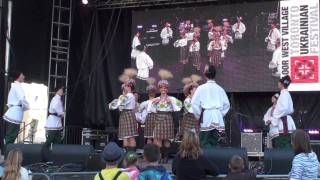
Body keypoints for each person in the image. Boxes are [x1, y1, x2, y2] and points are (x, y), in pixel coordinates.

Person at [147, 70, 182, 163]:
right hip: (158, 118)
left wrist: (171, 103)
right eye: (161, 88)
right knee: (157, 139)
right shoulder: (156, 99)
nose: (163, 89)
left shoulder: (172, 99)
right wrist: (154, 104)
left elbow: (177, 108)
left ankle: (166, 157)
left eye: (165, 88)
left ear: (167, 89)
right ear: (159, 89)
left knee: (166, 139)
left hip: (167, 118)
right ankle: (159, 157)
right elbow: (150, 110)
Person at [191, 65, 230, 147]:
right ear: (215, 74)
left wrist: (199, 115)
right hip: (217, 118)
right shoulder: (220, 89)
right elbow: (227, 105)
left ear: (205, 74)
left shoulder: (201, 88)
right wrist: (219, 113)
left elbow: (194, 104)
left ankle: (205, 158)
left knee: (204, 141)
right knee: (216, 141)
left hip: (206, 117)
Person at [109, 79, 138, 152]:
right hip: (124, 115)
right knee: (125, 136)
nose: (124, 87)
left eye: (125, 86)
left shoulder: (129, 96)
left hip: (128, 115)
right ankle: (126, 154)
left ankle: (131, 154)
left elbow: (117, 105)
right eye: (124, 86)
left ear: (129, 87)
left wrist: (112, 105)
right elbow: (119, 106)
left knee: (130, 136)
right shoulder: (125, 96)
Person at [267, 75, 296, 148]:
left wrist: (275, 116)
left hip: (283, 124)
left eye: (279, 82)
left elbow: (285, 108)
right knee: (283, 146)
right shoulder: (284, 94)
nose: (278, 84)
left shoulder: (284, 94)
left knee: (282, 146)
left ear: (281, 84)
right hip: (284, 123)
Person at [3, 72, 30, 144]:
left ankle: (6, 152)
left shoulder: (15, 86)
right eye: (22, 75)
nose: (24, 77)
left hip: (14, 113)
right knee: (11, 135)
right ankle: (6, 152)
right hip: (15, 114)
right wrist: (27, 106)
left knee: (11, 135)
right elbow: (22, 99)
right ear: (19, 76)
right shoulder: (17, 86)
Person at [139, 79, 157, 144]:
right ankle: (153, 152)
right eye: (151, 91)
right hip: (154, 120)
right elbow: (139, 111)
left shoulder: (145, 103)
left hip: (150, 120)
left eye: (152, 91)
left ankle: (150, 153)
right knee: (154, 137)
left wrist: (142, 120)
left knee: (150, 137)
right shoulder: (145, 103)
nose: (151, 93)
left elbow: (139, 111)